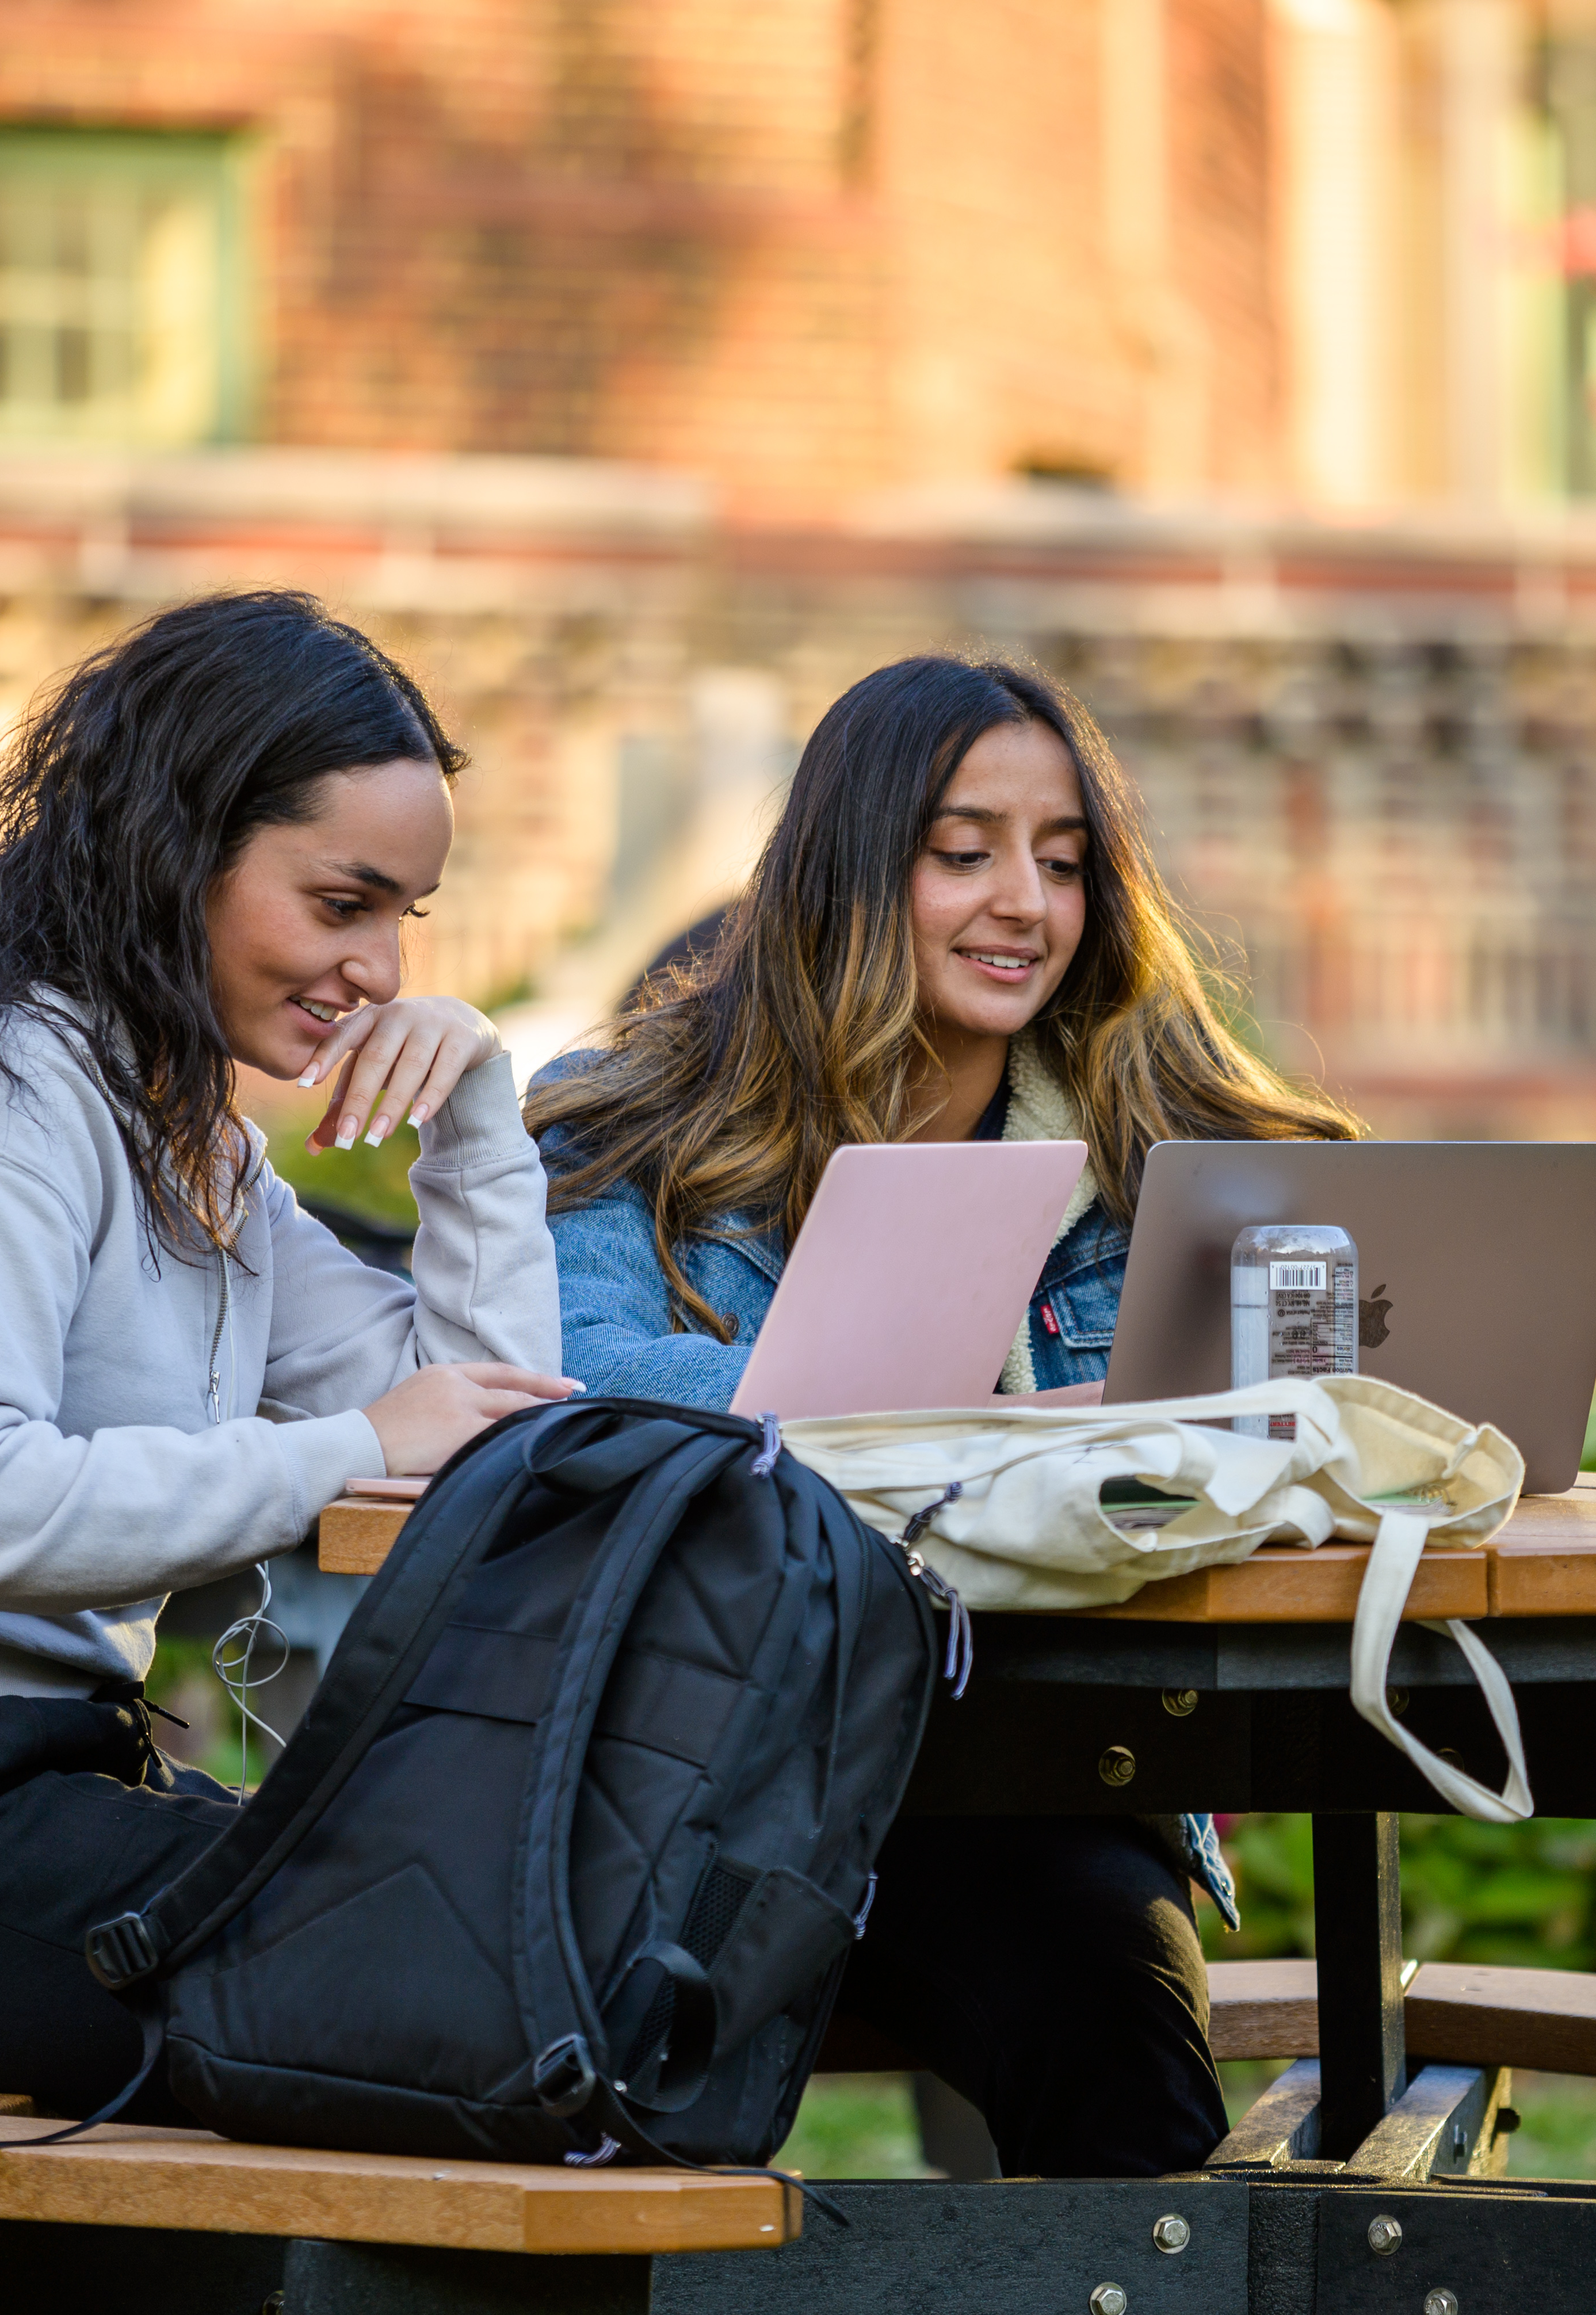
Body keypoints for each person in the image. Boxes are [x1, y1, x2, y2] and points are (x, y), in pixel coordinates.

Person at [0, 592, 572, 2117]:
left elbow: (485, 1429)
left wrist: (474, 1126)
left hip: (19, 1799)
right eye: (341, 903)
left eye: (404, 919)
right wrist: (347, 1450)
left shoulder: (183, 1146)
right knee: (464, 1981)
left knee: (498, 1947)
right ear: (180, 848)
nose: (380, 971)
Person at [527, 654, 1361, 2176]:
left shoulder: (1137, 1137)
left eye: (1061, 863)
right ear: (852, 868)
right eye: (963, 853)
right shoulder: (628, 1114)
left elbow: (1222, 1439)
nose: (1024, 907)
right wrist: (958, 1409)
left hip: (1020, 1771)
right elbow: (581, 1384)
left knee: (1119, 2034)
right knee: (590, 2134)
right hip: (695, 1776)